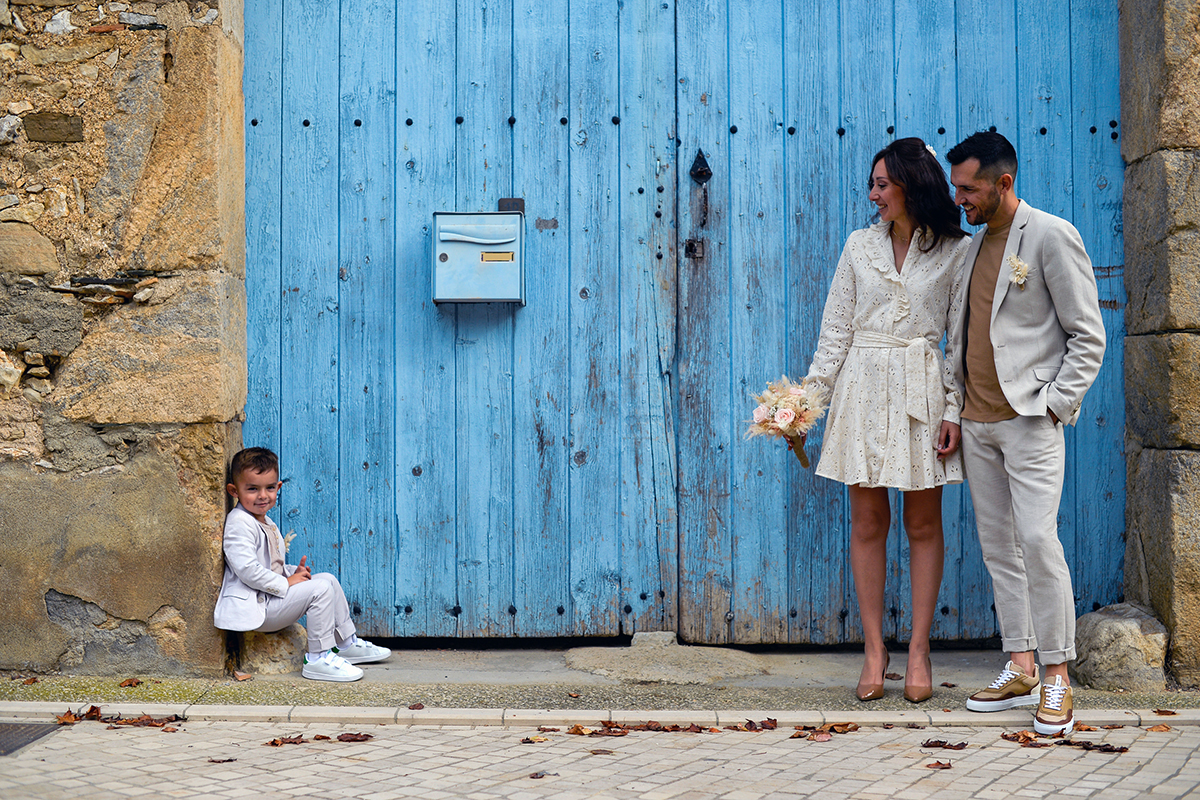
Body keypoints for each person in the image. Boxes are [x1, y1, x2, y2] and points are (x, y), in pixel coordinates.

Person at [945, 131, 1105, 735]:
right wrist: (954, 409)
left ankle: (1058, 675)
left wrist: (1055, 406)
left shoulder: (1050, 235)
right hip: (977, 424)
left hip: (1029, 418)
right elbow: (960, 336)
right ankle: (1020, 664)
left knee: (1038, 541)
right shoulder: (970, 247)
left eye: (969, 188)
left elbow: (1087, 335)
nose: (960, 198)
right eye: (957, 187)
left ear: (1003, 183)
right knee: (999, 549)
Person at [805, 137, 971, 703]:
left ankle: (919, 650)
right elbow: (835, 331)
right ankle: (874, 650)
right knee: (868, 522)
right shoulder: (859, 246)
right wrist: (806, 403)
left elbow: (958, 342)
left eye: (882, 184)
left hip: (922, 390)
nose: (873, 195)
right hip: (862, 386)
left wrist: (953, 409)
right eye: (872, 185)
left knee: (923, 523)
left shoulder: (956, 251)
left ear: (910, 186)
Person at [214, 447, 392, 682]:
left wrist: (293, 573)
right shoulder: (239, 522)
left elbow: (270, 565)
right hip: (257, 608)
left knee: (328, 579)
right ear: (234, 491)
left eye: (269, 488)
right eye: (252, 489)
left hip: (269, 599)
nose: (262, 496)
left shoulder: (265, 521)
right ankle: (318, 658)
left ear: (278, 487)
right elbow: (247, 570)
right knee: (320, 590)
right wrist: (287, 582)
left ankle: (344, 643)